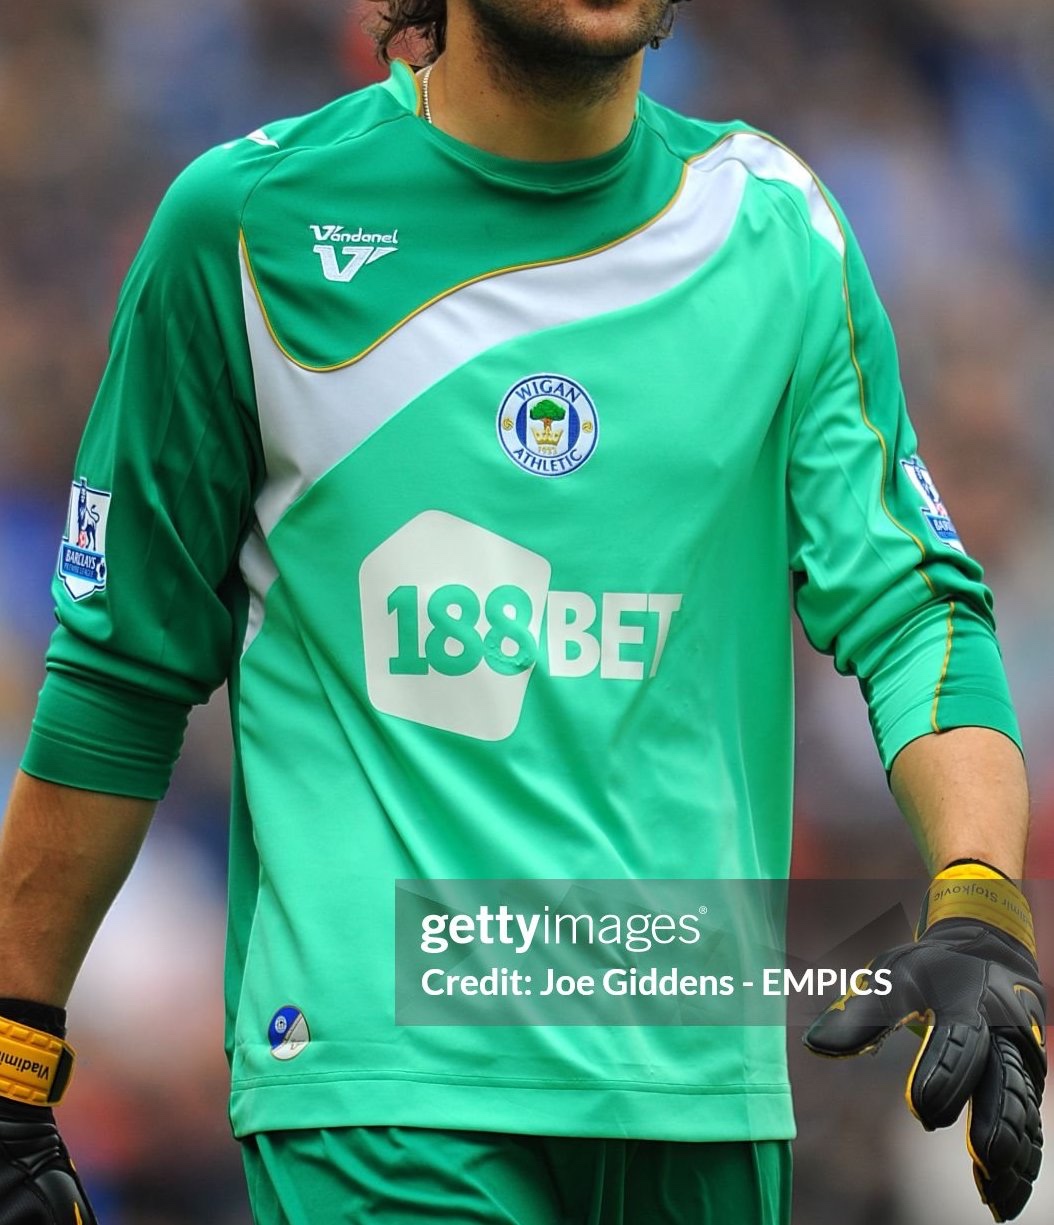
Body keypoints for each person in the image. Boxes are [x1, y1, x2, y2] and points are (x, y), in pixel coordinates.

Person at [0, 2, 1045, 1222]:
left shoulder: (778, 231)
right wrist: (15, 1060)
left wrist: (981, 904)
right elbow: (122, 671)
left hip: (694, 1063)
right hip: (380, 1083)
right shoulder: (246, 226)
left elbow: (918, 610)